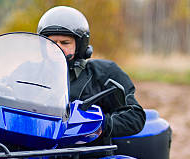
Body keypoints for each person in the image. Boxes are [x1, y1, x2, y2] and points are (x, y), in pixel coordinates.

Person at [37, 6, 146, 146]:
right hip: (33, 153)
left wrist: (98, 122)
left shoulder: (104, 73)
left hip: (86, 158)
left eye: (65, 43)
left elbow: (135, 117)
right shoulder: (29, 71)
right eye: (51, 42)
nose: (57, 47)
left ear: (80, 45)